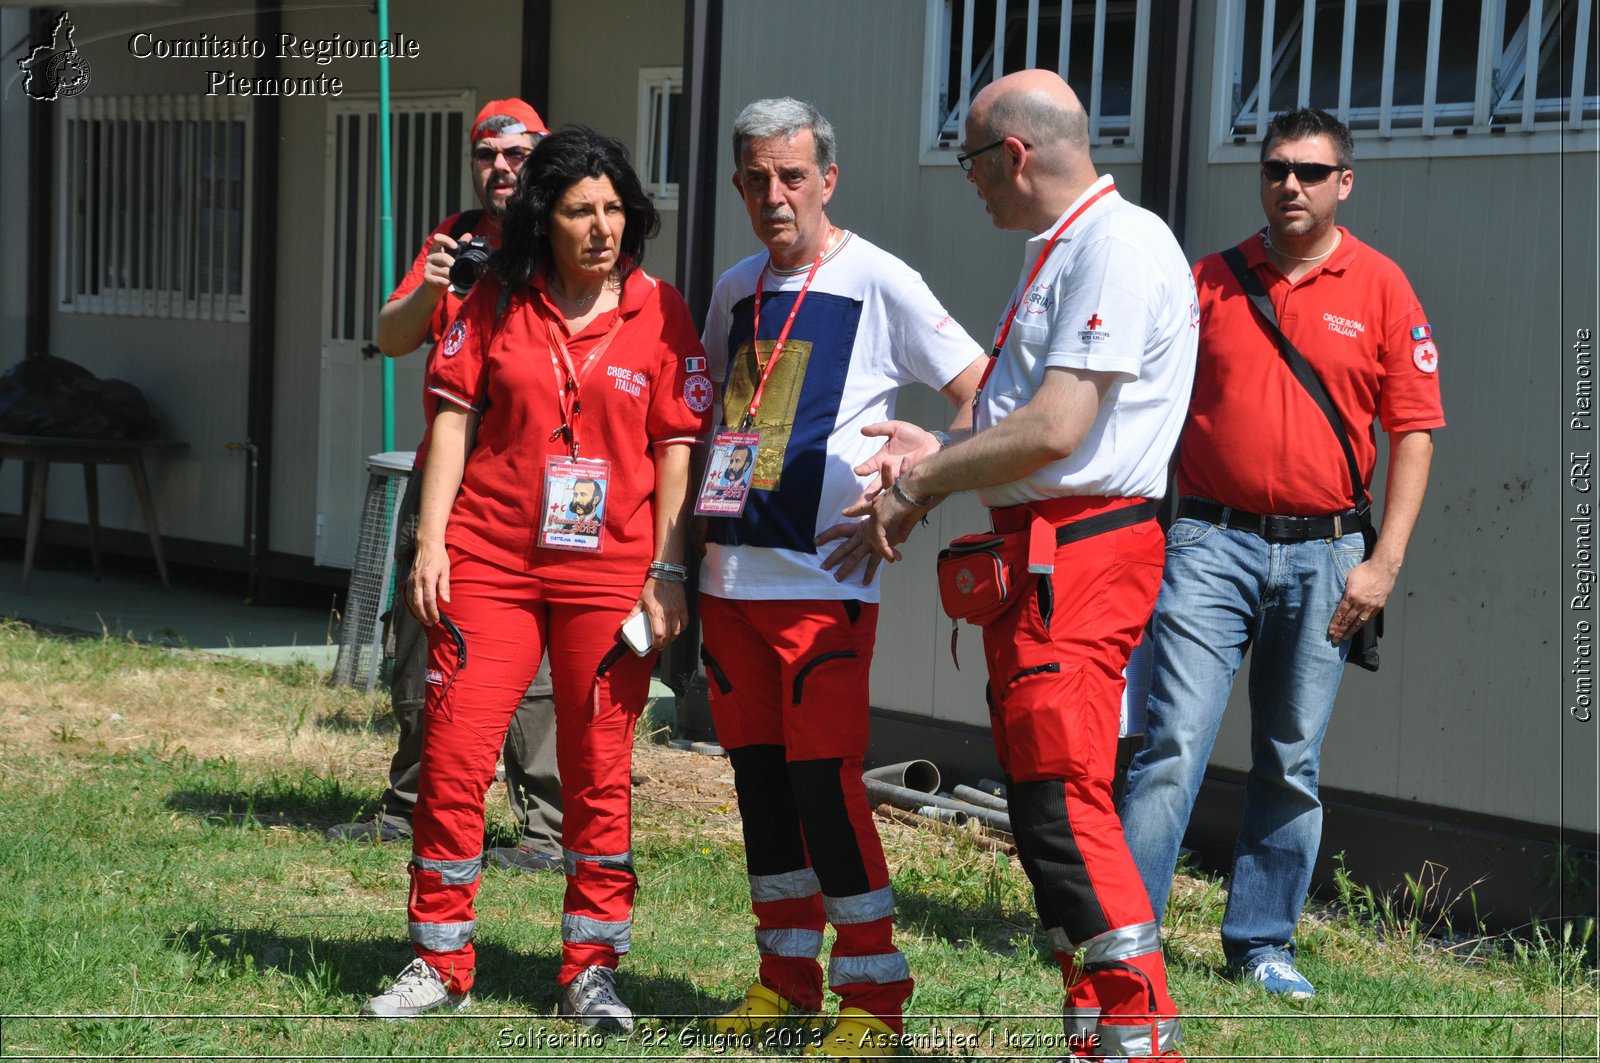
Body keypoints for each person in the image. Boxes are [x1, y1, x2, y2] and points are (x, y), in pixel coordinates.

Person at [852, 70, 1191, 1062]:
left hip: (1078, 555)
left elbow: (1057, 424)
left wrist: (921, 485)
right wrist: (934, 452)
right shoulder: (1068, 247)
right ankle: (1093, 1022)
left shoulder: (1116, 248)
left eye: (969, 164)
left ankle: (1137, 1035)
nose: (971, 186)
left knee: (1062, 794)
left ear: (1013, 155)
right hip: (1042, 557)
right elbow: (1008, 414)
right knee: (1045, 800)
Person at [361, 127, 710, 1029]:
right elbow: (449, 420)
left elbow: (676, 449)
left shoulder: (662, 310)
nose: (601, 227)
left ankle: (590, 969)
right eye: (579, 211)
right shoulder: (495, 299)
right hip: (491, 560)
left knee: (598, 770)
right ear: (542, 221)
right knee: (454, 752)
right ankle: (439, 955)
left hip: (613, 572)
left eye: (613, 209)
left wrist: (669, 570)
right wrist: (429, 541)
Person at [1118, 107, 1443, 1000]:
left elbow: (1413, 432)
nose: (1289, 185)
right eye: (1275, 170)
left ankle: (1262, 941)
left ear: (1345, 181)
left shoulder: (1382, 286)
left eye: (1309, 170)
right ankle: (1124, 940)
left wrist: (1385, 565)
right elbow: (1146, 405)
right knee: (1172, 743)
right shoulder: (1209, 282)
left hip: (1329, 554)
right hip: (1207, 543)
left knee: (1290, 757)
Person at [696, 98, 987, 1058]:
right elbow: (710, 427)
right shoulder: (736, 287)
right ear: (738, 184)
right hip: (729, 580)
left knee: (827, 787)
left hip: (825, 584)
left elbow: (983, 393)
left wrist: (921, 482)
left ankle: (874, 996)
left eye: (792, 175)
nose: (774, 195)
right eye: (755, 178)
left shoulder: (878, 276)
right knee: (762, 788)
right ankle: (785, 982)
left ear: (829, 178)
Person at [327, 99, 565, 877]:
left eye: (516, 154)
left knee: (531, 662)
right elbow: (391, 334)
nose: (501, 168)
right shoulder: (454, 238)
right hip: (446, 476)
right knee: (421, 641)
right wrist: (433, 286)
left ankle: (546, 829)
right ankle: (409, 808)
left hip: (535, 478)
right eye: (486, 155)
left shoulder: (568, 233)